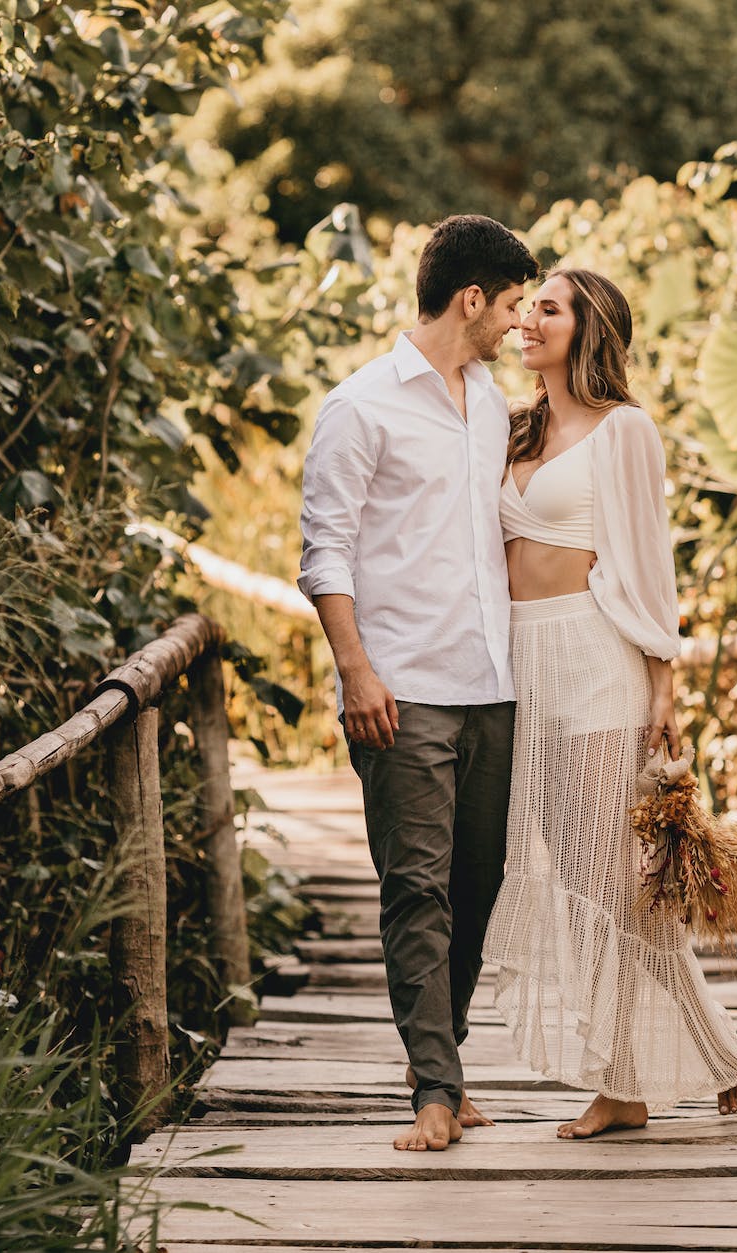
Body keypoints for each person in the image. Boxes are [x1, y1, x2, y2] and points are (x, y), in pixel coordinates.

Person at [481, 268, 737, 1139]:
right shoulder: (514, 424)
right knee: (578, 872)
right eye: (527, 307)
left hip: (597, 657)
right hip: (523, 659)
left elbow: (647, 559)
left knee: (604, 873)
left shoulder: (625, 429)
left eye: (549, 309)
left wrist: (664, 683)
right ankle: (712, 1052)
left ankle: (623, 1079)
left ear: (589, 328)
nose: (528, 320)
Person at [297, 215, 539, 1152]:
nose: (517, 322)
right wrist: (355, 670)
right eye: (511, 304)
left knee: (479, 887)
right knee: (416, 890)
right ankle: (435, 1087)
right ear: (471, 298)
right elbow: (326, 551)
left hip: (494, 685)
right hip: (402, 688)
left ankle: (444, 1058)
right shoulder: (360, 406)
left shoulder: (491, 405)